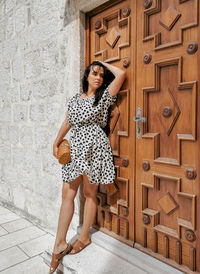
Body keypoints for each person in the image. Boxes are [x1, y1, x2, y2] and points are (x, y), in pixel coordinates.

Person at [49, 60, 126, 273]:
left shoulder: (103, 97)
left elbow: (121, 74)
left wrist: (101, 62)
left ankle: (84, 237)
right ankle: (60, 242)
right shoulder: (75, 98)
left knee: (90, 193)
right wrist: (56, 141)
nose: (98, 77)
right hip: (74, 147)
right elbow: (68, 122)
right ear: (86, 76)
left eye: (101, 75)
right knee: (68, 192)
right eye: (94, 73)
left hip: (94, 145)